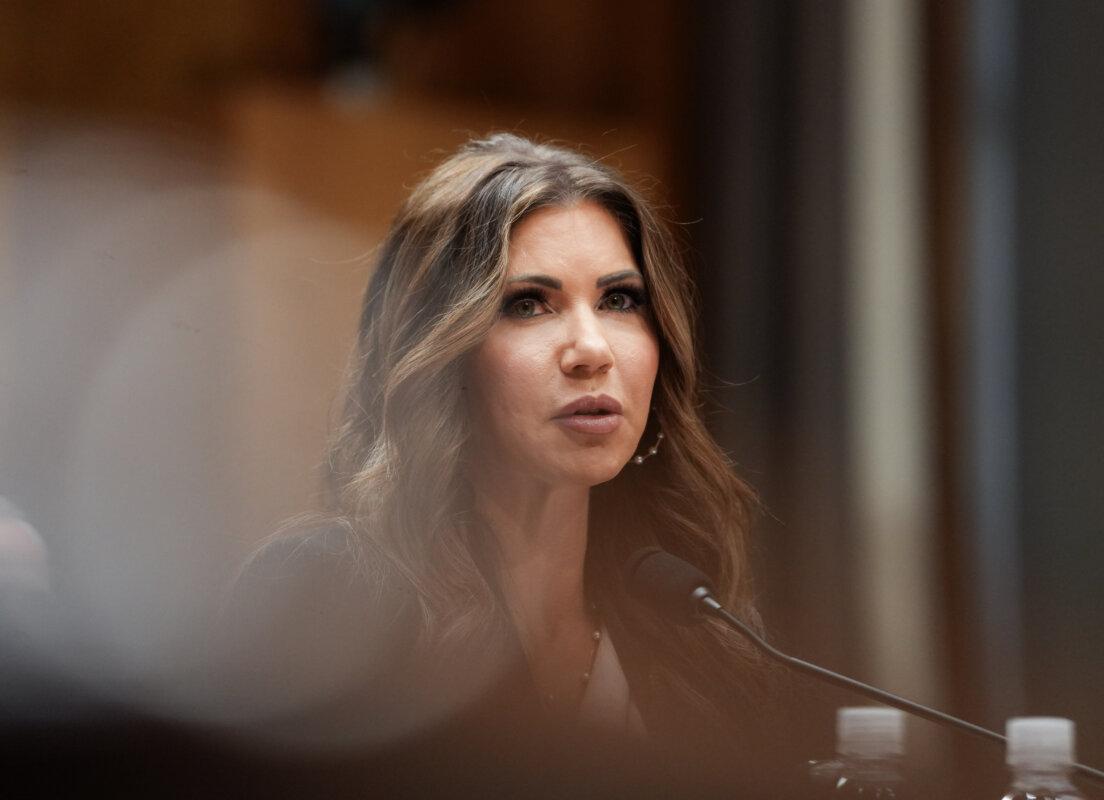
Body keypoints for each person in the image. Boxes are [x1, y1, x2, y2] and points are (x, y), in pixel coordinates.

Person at [219, 133, 809, 797]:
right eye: (528, 304)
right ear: (439, 356)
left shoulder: (703, 633)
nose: (591, 349)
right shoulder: (329, 596)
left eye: (619, 300)